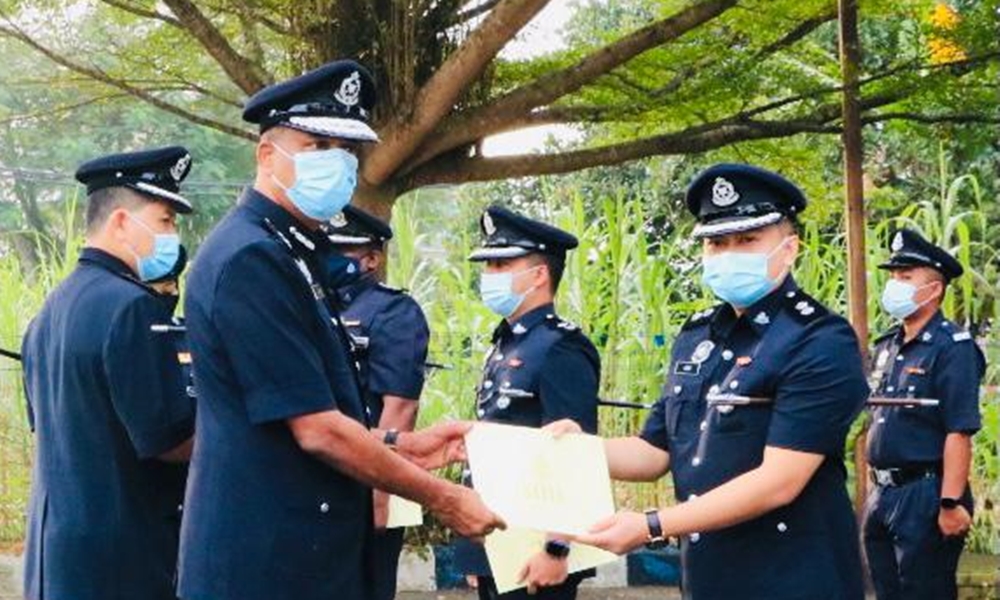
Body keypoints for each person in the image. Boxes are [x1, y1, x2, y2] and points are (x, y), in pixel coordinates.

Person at [176, 60, 502, 600]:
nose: (337, 163)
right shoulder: (251, 258)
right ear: (267, 156)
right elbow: (317, 430)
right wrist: (443, 498)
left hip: (302, 556)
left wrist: (405, 445)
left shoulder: (292, 252)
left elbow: (308, 410)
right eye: (318, 146)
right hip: (265, 565)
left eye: (346, 150)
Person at [548, 164, 868, 599]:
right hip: (709, 577)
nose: (729, 254)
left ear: (789, 248)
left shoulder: (819, 340)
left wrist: (652, 525)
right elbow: (654, 452)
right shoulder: (699, 336)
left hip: (791, 578)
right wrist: (579, 449)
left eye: (747, 240)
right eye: (717, 243)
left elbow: (781, 480)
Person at [20, 146, 197, 600]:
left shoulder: (50, 310)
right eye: (165, 221)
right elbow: (169, 440)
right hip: (124, 563)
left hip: (59, 561)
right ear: (120, 221)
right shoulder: (132, 308)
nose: (172, 236)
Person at [455, 205, 601, 599]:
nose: (490, 275)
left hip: (535, 543)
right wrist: (476, 551)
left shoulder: (560, 347)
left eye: (502, 265)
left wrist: (557, 547)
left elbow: (575, 454)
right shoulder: (506, 342)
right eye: (489, 265)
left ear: (539, 275)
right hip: (498, 536)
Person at [863, 228, 984, 600]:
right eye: (893, 276)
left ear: (933, 290)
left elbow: (959, 429)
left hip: (925, 493)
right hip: (883, 493)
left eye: (905, 277)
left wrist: (950, 502)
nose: (894, 285)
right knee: (886, 591)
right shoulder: (888, 346)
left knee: (924, 590)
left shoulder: (952, 348)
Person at [326, 205, 431, 600]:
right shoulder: (317, 306)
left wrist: (381, 489)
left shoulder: (393, 312)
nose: (329, 259)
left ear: (371, 259)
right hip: (325, 469)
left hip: (370, 474)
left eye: (342, 251)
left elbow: (400, 407)